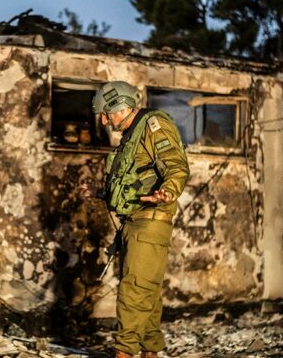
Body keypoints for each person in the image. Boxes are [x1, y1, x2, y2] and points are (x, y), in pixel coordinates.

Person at [80, 81, 189, 358]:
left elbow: (176, 165)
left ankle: (124, 352)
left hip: (150, 219)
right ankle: (150, 351)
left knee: (134, 290)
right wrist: (99, 192)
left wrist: (168, 191)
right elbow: (131, 180)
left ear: (123, 107)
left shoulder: (154, 125)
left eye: (106, 113)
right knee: (146, 291)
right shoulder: (132, 135)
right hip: (134, 220)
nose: (104, 120)